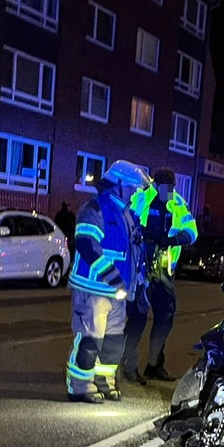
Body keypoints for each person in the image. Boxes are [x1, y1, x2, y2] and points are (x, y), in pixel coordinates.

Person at [64, 161, 151, 403]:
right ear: (119, 185)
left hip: (116, 290)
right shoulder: (95, 208)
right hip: (93, 288)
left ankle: (104, 381)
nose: (134, 193)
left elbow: (133, 251)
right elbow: (86, 244)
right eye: (132, 188)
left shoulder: (125, 213)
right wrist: (113, 277)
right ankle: (79, 386)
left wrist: (138, 283)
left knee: (112, 342)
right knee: (90, 339)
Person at [121, 168, 198, 384]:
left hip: (163, 270)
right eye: (165, 188)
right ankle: (128, 365)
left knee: (165, 316)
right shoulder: (140, 198)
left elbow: (192, 230)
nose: (168, 192)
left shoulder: (177, 202)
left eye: (171, 188)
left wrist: (174, 240)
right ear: (155, 185)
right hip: (140, 269)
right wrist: (143, 235)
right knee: (137, 317)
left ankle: (154, 364)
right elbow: (126, 225)